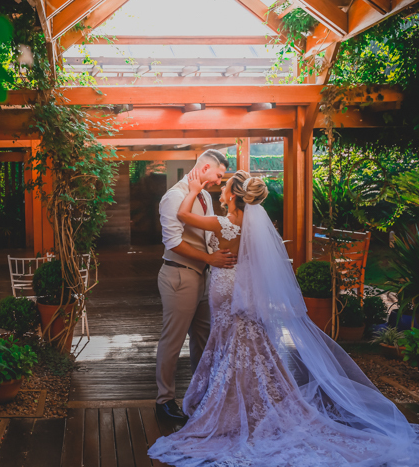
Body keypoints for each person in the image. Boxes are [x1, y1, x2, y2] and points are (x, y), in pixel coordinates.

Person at [149, 170, 419, 466]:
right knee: (245, 342)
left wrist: (192, 189)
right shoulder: (250, 226)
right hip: (243, 287)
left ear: (235, 195)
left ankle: (232, 405)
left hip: (225, 287)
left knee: (230, 341)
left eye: (225, 187)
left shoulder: (222, 223)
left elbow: (183, 216)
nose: (221, 190)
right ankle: (253, 400)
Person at [155, 149, 237, 422]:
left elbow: (208, 235)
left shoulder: (204, 196)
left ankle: (200, 395)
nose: (218, 181)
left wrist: (225, 251)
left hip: (203, 276)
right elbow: (173, 242)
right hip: (180, 276)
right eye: (218, 175)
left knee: (203, 339)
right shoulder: (174, 197)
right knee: (173, 340)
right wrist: (210, 258)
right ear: (204, 169)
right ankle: (164, 401)